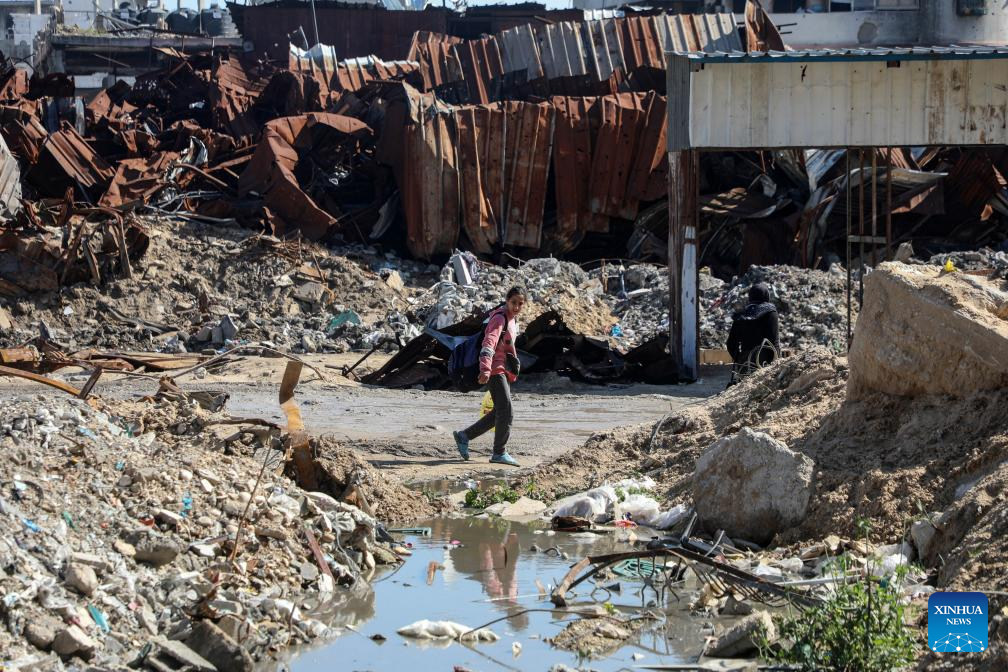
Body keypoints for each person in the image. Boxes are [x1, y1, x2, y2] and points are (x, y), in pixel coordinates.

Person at [453, 286, 525, 467]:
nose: (516, 306)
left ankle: (464, 436)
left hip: (502, 370)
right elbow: (489, 342)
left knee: (498, 412)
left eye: (520, 304)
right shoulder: (499, 318)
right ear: (507, 300)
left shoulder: (511, 319)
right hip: (494, 370)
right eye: (513, 302)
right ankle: (499, 453)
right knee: (506, 411)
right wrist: (485, 369)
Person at [726, 282, 779, 384]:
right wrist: (775, 363)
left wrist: (739, 359)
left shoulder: (741, 314)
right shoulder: (771, 313)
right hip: (764, 361)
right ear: (766, 296)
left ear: (750, 297)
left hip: (745, 362)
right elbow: (773, 341)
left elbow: (731, 344)